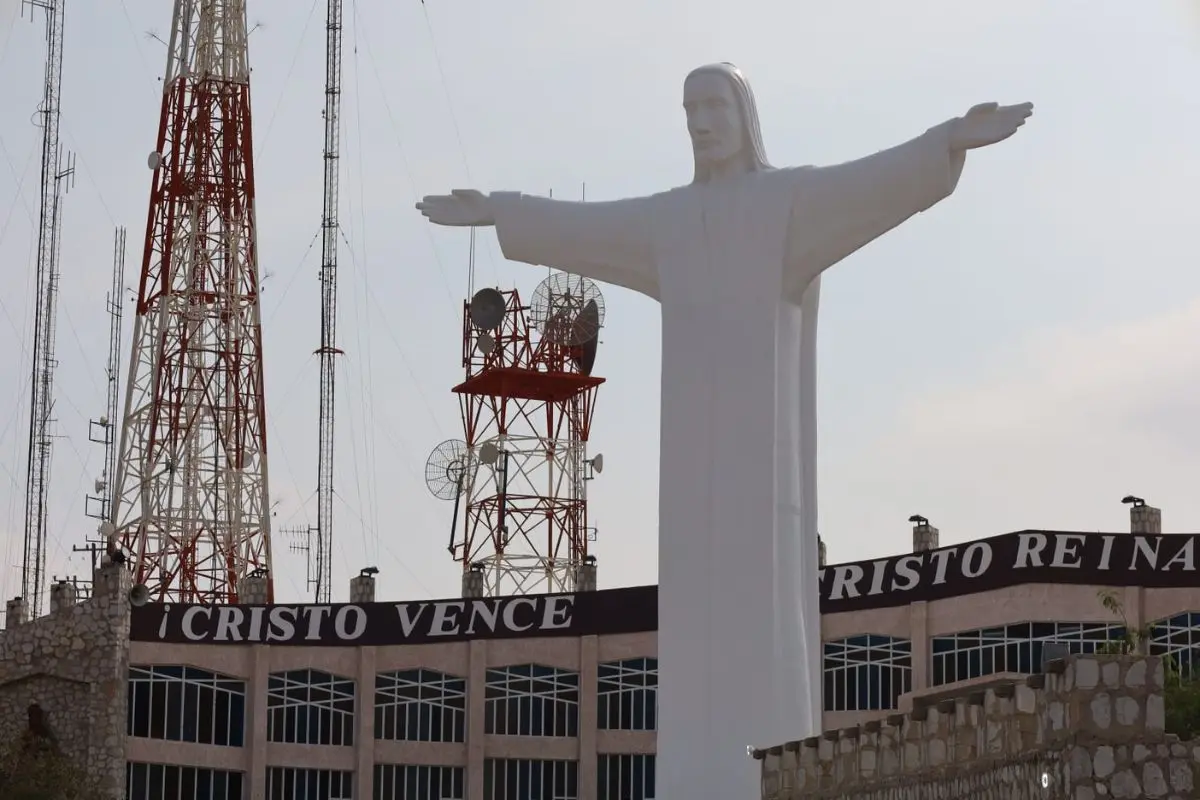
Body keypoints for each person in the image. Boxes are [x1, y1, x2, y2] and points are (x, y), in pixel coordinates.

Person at [417, 61, 1033, 799]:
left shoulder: (787, 204)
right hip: (688, 477)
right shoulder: (668, 222)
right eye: (688, 109)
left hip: (762, 476)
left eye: (713, 105)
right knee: (692, 633)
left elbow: (871, 181)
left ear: (743, 114)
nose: (700, 122)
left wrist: (946, 142)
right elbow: (586, 227)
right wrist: (502, 210)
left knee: (762, 624)